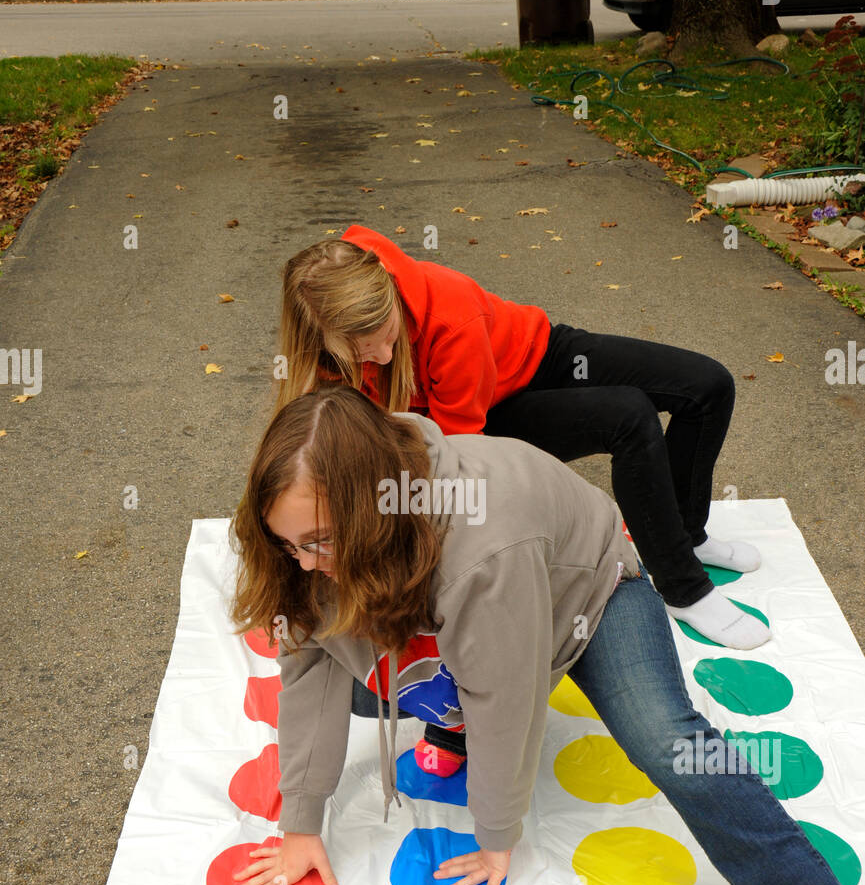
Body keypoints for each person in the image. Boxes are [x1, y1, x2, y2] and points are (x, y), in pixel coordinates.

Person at [228, 383, 865, 885]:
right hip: (476, 616)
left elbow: (504, 697)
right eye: (288, 544)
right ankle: (447, 716)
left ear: (370, 509)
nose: (304, 563)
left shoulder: (484, 548)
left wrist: (495, 831)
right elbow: (308, 668)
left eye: (320, 542)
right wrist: (300, 823)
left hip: (587, 593)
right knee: (369, 682)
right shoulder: (316, 545)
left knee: (668, 743)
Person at [275, 226, 770, 668]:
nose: (383, 357)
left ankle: (685, 535)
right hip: (480, 424)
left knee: (708, 386)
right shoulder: (325, 337)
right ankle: (682, 586)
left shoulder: (451, 316)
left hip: (537, 356)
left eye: (389, 337)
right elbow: (455, 461)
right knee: (630, 417)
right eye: (364, 353)